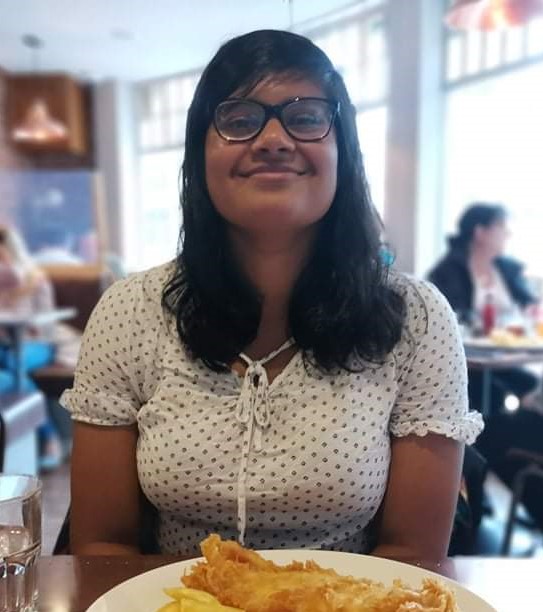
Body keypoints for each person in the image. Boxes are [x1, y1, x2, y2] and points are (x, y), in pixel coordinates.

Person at [62, 30, 482, 560]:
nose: (274, 139)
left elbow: (412, 555)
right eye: (239, 120)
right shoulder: (129, 312)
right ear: (200, 156)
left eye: (305, 117)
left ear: (342, 152)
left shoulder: (417, 320)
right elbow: (104, 545)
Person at [428, 203, 540, 415]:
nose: (507, 233)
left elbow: (530, 306)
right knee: (501, 391)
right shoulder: (449, 270)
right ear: (480, 232)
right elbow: (451, 317)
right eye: (501, 226)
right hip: (470, 358)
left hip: (507, 353)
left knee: (530, 385)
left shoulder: (507, 268)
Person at [0, 225, 65, 468]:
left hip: (37, 344)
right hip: (6, 346)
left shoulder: (34, 277)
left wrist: (27, 325)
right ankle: (20, 447)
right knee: (5, 376)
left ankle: (49, 438)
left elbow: (48, 322)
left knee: (12, 364)